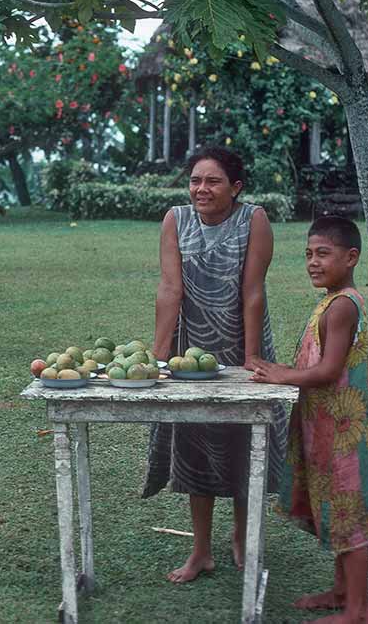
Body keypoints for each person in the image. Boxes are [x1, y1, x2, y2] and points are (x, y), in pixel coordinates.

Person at [144, 146, 288, 583]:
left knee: (247, 442)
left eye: (213, 181)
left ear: (236, 187)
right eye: (195, 180)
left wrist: (250, 361)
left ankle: (241, 540)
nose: (201, 189)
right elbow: (170, 289)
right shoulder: (176, 219)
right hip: (192, 352)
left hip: (244, 344)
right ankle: (201, 550)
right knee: (195, 445)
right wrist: (159, 357)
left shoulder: (254, 220)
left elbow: (253, 292)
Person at [251, 216, 368, 624]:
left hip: (344, 431)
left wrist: (282, 374)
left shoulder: (342, 305)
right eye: (308, 254)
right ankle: (342, 590)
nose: (313, 262)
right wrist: (283, 370)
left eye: (323, 253)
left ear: (351, 257)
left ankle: (358, 610)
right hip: (324, 425)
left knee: (349, 514)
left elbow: (328, 371)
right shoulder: (331, 299)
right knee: (336, 509)